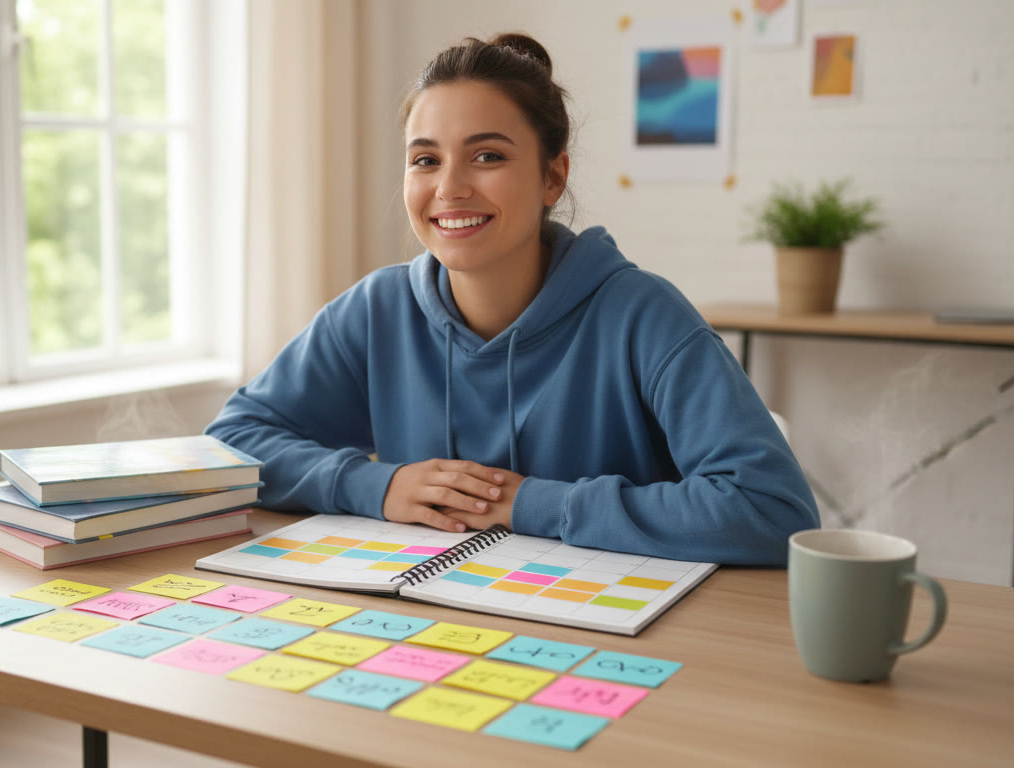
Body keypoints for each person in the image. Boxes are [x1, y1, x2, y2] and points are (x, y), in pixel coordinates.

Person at [206, 33, 818, 564]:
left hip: (610, 645)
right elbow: (230, 443)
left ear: (553, 177)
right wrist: (374, 486)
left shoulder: (643, 316)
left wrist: (527, 501)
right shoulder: (376, 311)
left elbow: (769, 508)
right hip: (433, 637)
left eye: (487, 156)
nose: (449, 188)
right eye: (425, 159)